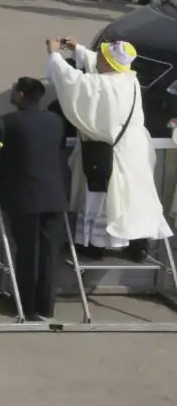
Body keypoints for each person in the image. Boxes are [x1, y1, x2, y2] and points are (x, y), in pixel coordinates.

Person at [45, 37, 172, 258]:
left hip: (110, 152)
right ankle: (138, 246)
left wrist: (54, 55)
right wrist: (78, 50)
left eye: (102, 56)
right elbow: (100, 64)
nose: (99, 58)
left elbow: (70, 80)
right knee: (135, 198)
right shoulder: (129, 78)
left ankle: (94, 246)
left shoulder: (101, 85)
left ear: (109, 63)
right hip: (136, 150)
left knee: (102, 200)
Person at [0, 75, 68, 322]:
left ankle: (26, 305)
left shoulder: (10, 122)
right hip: (54, 196)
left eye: (15, 90)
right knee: (49, 254)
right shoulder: (55, 121)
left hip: (24, 198)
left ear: (22, 96)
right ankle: (46, 305)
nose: (12, 93)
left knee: (27, 253)